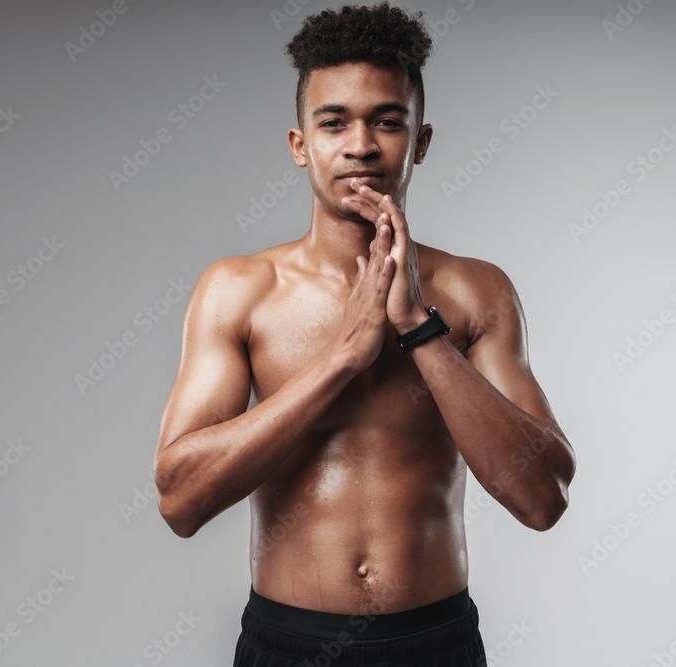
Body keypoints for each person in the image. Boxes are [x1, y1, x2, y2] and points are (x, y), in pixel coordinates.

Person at [153, 3, 576, 665]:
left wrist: (419, 329)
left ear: (421, 141)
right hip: (287, 643)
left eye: (387, 120)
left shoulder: (475, 292)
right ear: (300, 144)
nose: (361, 145)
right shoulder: (239, 289)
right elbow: (180, 500)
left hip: (433, 641)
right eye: (333, 122)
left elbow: (543, 497)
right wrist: (343, 358)